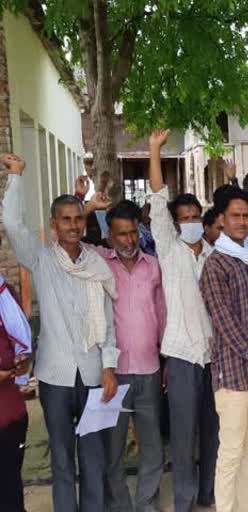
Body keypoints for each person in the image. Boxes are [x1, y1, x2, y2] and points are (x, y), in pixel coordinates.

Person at [2, 153, 119, 512]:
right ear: (54, 225)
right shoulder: (40, 261)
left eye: (77, 219)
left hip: (94, 374)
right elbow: (10, 221)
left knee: (94, 457)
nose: (72, 225)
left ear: (84, 224)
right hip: (54, 377)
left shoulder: (97, 265)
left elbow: (109, 324)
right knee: (63, 459)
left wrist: (110, 367)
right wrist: (17, 177)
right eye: (65, 219)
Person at [147, 130, 218, 510]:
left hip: (213, 356)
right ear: (176, 223)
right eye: (184, 218)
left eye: (195, 217)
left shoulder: (214, 255)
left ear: (202, 220)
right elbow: (158, 204)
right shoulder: (169, 250)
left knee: (212, 429)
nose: (190, 222)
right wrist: (155, 150)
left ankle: (208, 493)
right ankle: (186, 500)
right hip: (179, 354)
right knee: (182, 432)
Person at [199, 186, 248, 512]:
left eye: (246, 215)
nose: (243, 222)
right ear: (221, 219)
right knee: (230, 452)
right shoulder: (216, 265)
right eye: (236, 215)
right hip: (233, 372)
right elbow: (224, 321)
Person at [92, 200, 167, 512]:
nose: (129, 240)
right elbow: (61, 240)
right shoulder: (99, 263)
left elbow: (161, 313)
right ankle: (120, 504)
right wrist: (86, 206)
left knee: (152, 445)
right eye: (122, 234)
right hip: (114, 373)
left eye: (133, 232)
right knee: (113, 446)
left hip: (149, 368)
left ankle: (146, 501)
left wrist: (165, 359)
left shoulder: (153, 266)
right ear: (110, 235)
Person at [0, 229, 32, 512]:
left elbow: (19, 341)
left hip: (11, 413)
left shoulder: (4, 292)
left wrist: (23, 362)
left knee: (10, 490)